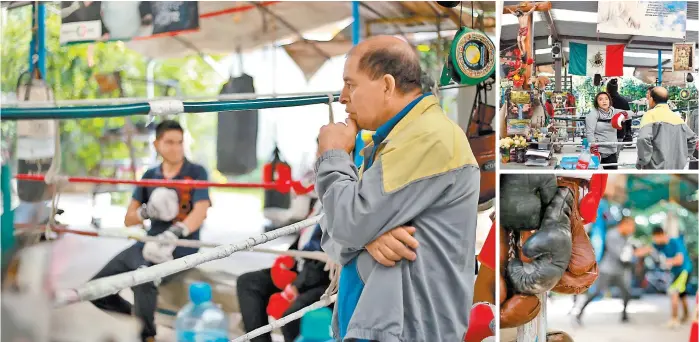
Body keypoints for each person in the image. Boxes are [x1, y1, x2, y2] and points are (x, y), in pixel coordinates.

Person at [315, 35, 480, 341]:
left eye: (350, 84)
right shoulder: (394, 139)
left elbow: (346, 224)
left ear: (387, 86)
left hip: (404, 329)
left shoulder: (426, 137)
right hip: (379, 324)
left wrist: (332, 155)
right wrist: (366, 238)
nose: (342, 97)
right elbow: (333, 226)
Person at [89, 120, 211, 342]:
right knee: (95, 289)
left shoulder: (195, 172)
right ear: (157, 144)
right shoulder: (150, 175)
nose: (176, 148)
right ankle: (137, 319)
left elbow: (201, 211)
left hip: (181, 247)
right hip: (147, 242)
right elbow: (129, 219)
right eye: (170, 142)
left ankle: (147, 337)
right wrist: (147, 212)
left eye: (180, 142)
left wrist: (177, 230)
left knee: (144, 277)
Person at [575, 215, 643, 325]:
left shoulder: (626, 236)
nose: (632, 229)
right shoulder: (612, 235)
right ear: (624, 224)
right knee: (596, 292)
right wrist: (635, 254)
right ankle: (579, 313)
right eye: (631, 226)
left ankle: (624, 316)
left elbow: (627, 252)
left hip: (620, 271)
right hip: (608, 270)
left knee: (626, 292)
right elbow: (620, 255)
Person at [636, 227, 693, 328]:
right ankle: (686, 316)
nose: (654, 240)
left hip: (684, 270)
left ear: (661, 235)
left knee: (673, 291)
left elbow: (679, 260)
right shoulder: (658, 245)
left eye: (655, 238)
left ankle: (674, 319)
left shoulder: (675, 242)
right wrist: (635, 252)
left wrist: (666, 262)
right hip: (675, 272)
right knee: (682, 294)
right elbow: (647, 249)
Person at [637, 86, 698, 169]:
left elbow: (643, 138)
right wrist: (683, 157)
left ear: (651, 99)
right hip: (676, 169)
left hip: (654, 170)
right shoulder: (677, 118)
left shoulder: (649, 115)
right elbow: (693, 139)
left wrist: (643, 161)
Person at [585, 92, 628, 170]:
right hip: (599, 151)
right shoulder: (593, 114)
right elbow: (589, 133)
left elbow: (630, 113)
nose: (604, 101)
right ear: (597, 102)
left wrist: (622, 116)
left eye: (606, 99)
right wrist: (594, 149)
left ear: (609, 101)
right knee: (598, 177)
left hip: (612, 150)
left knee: (612, 176)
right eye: (600, 99)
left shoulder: (614, 111)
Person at [606, 79, 633, 143]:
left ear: (607, 89)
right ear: (617, 89)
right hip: (620, 132)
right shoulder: (624, 101)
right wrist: (628, 132)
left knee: (605, 152)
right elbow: (628, 118)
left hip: (605, 133)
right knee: (616, 152)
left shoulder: (603, 101)